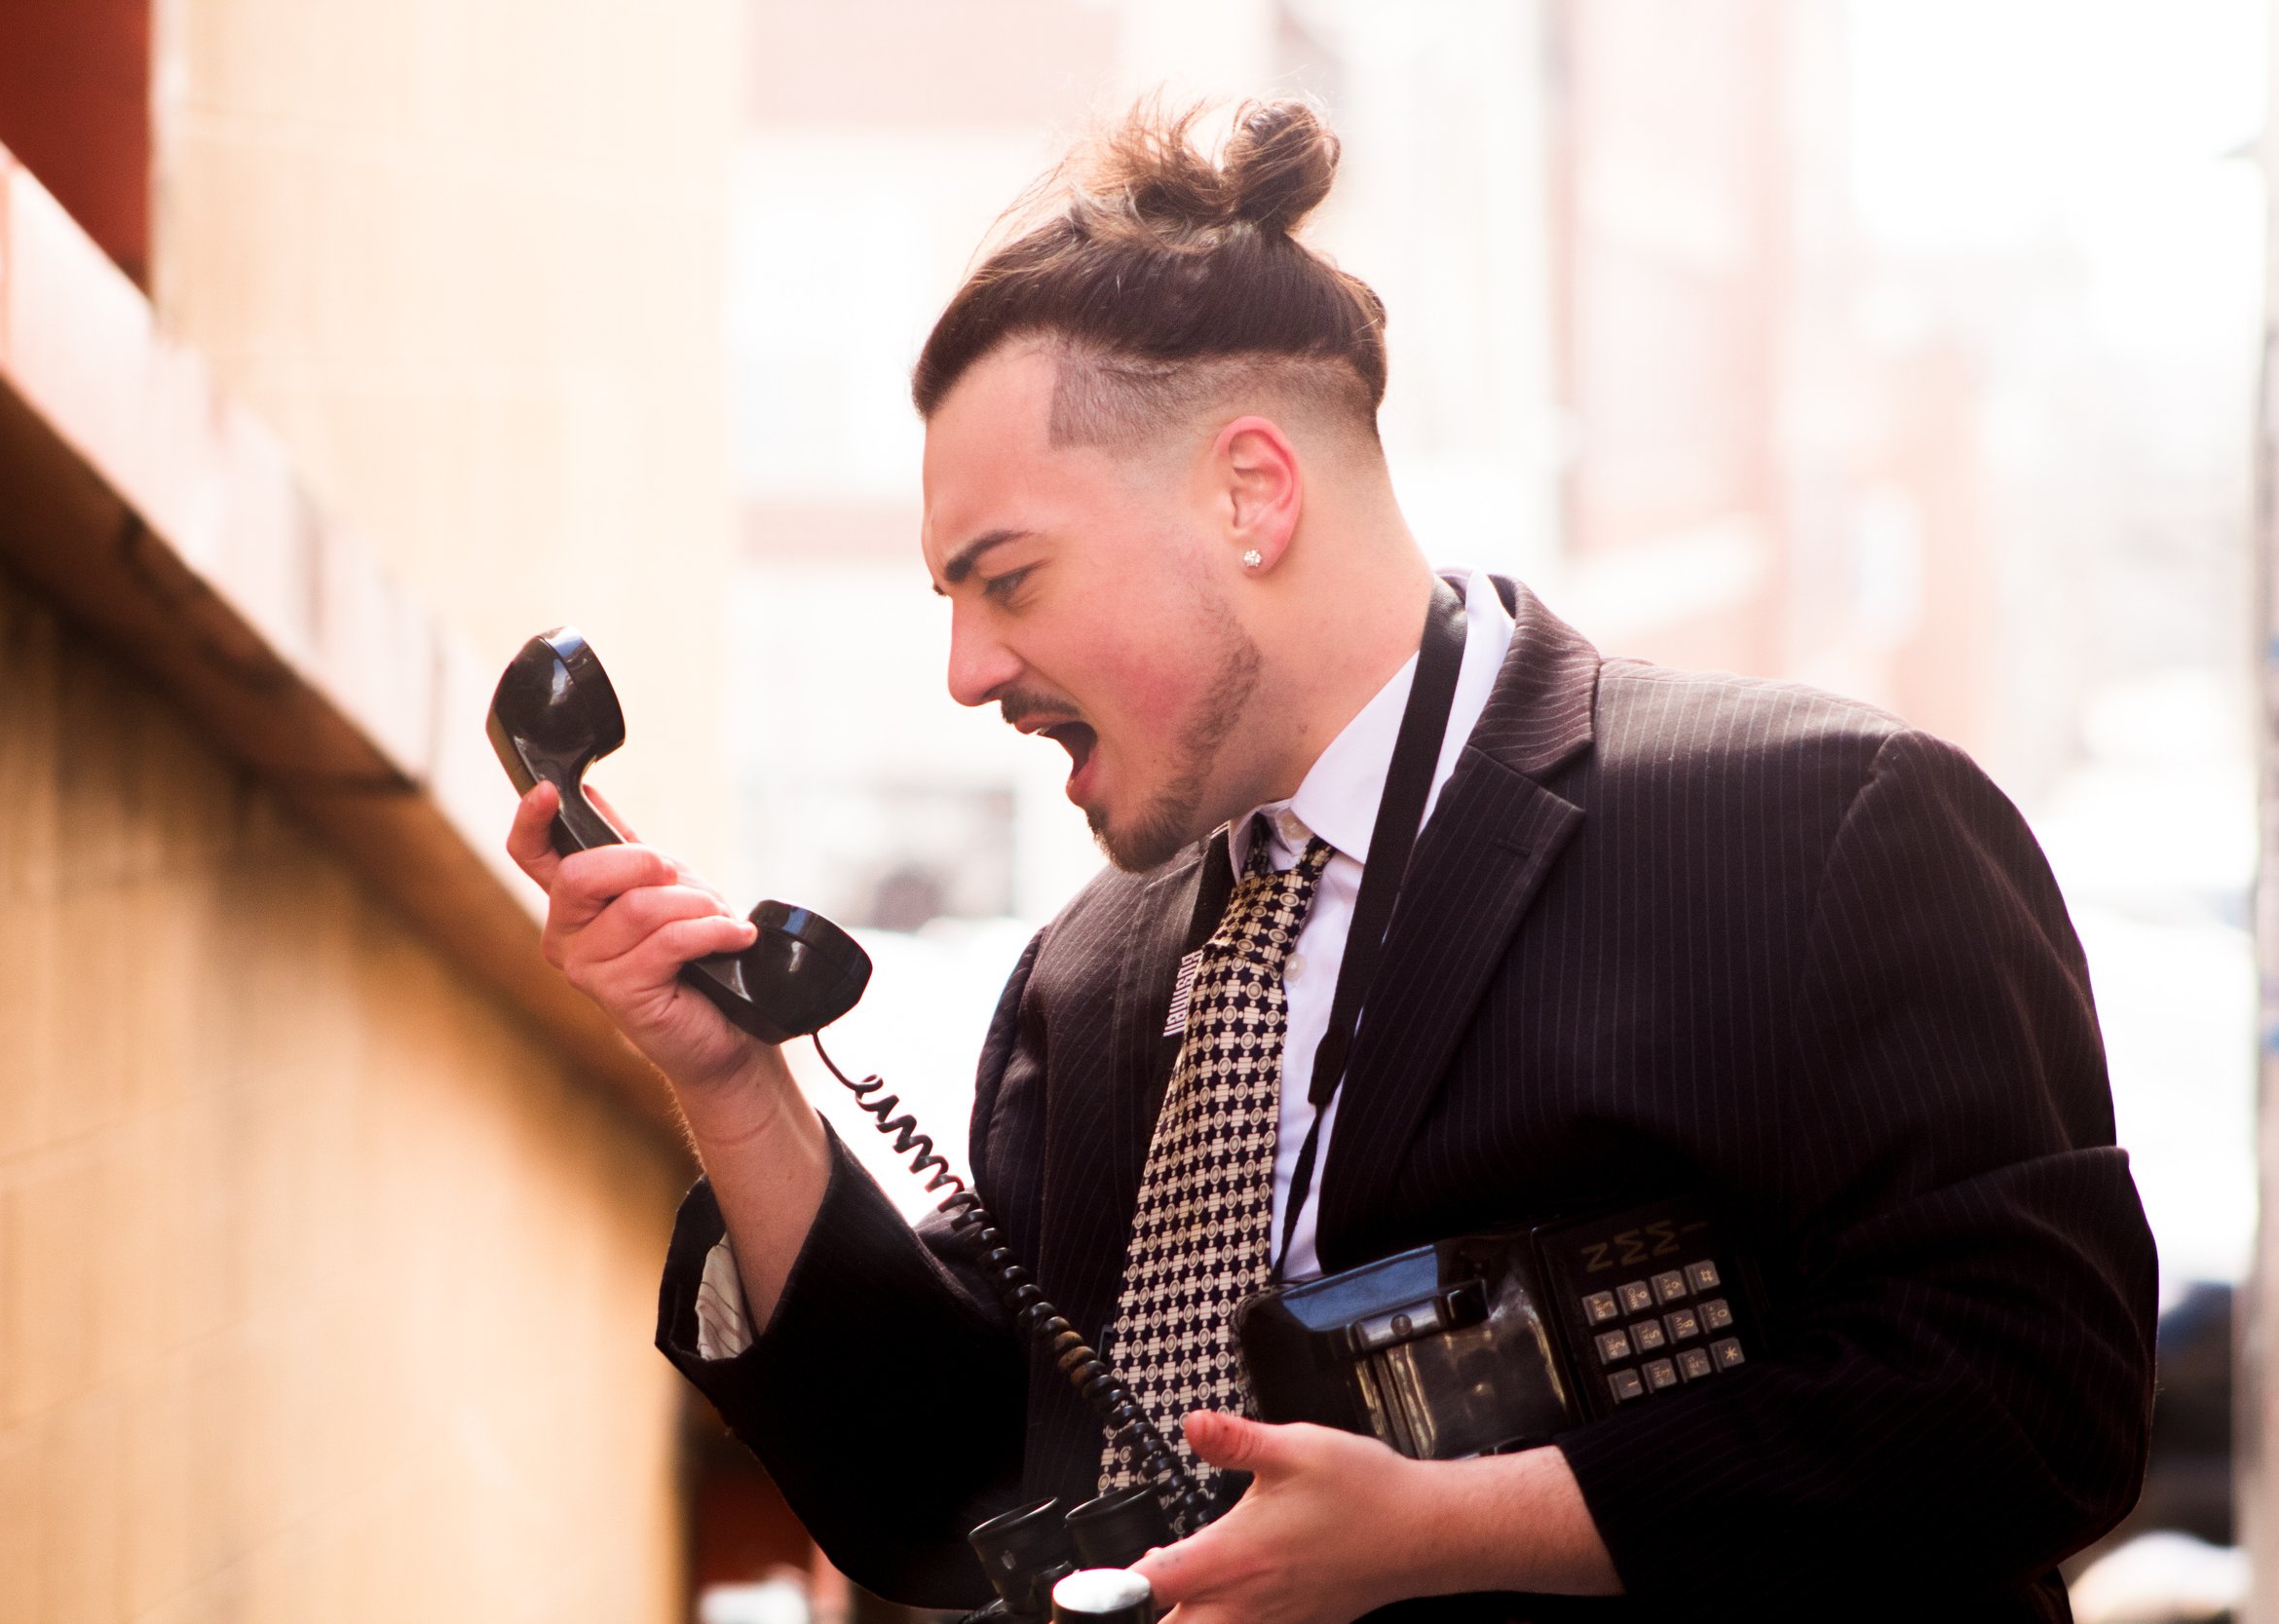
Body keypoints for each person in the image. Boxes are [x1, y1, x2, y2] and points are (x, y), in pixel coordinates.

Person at [505, 98, 2157, 1622]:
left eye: (1006, 579)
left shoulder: (1822, 827)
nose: (968, 672)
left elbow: (2037, 1402)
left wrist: (1463, 1531)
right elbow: (939, 1494)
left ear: (1250, 494)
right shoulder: (1092, 973)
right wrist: (735, 1088)